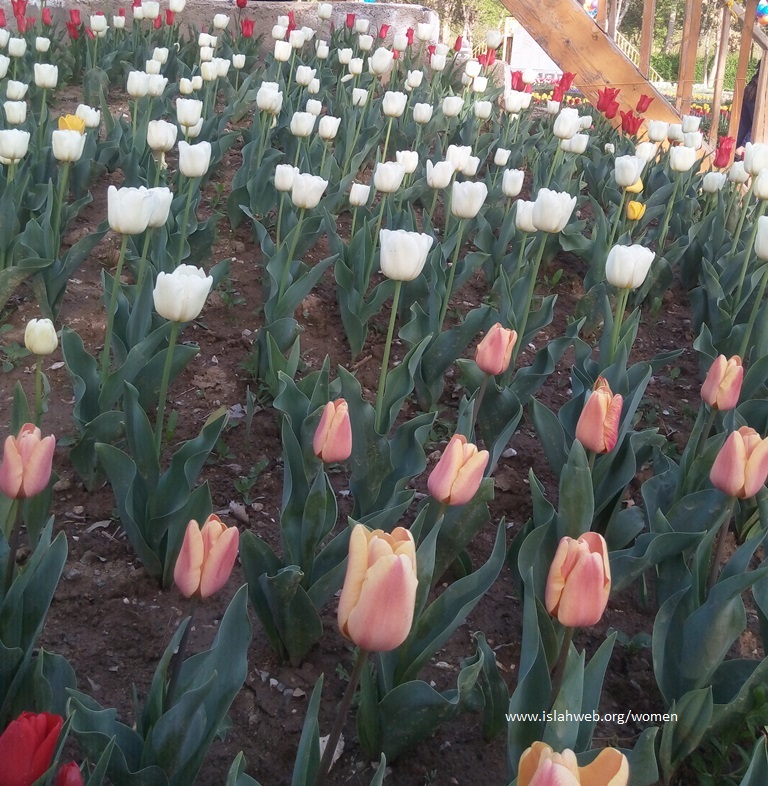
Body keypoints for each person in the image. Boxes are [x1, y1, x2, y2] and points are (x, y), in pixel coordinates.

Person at [737, 61, 760, 152]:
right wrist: (744, 145)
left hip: (746, 139)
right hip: (752, 144)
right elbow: (757, 122)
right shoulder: (755, 88)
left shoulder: (751, 86)